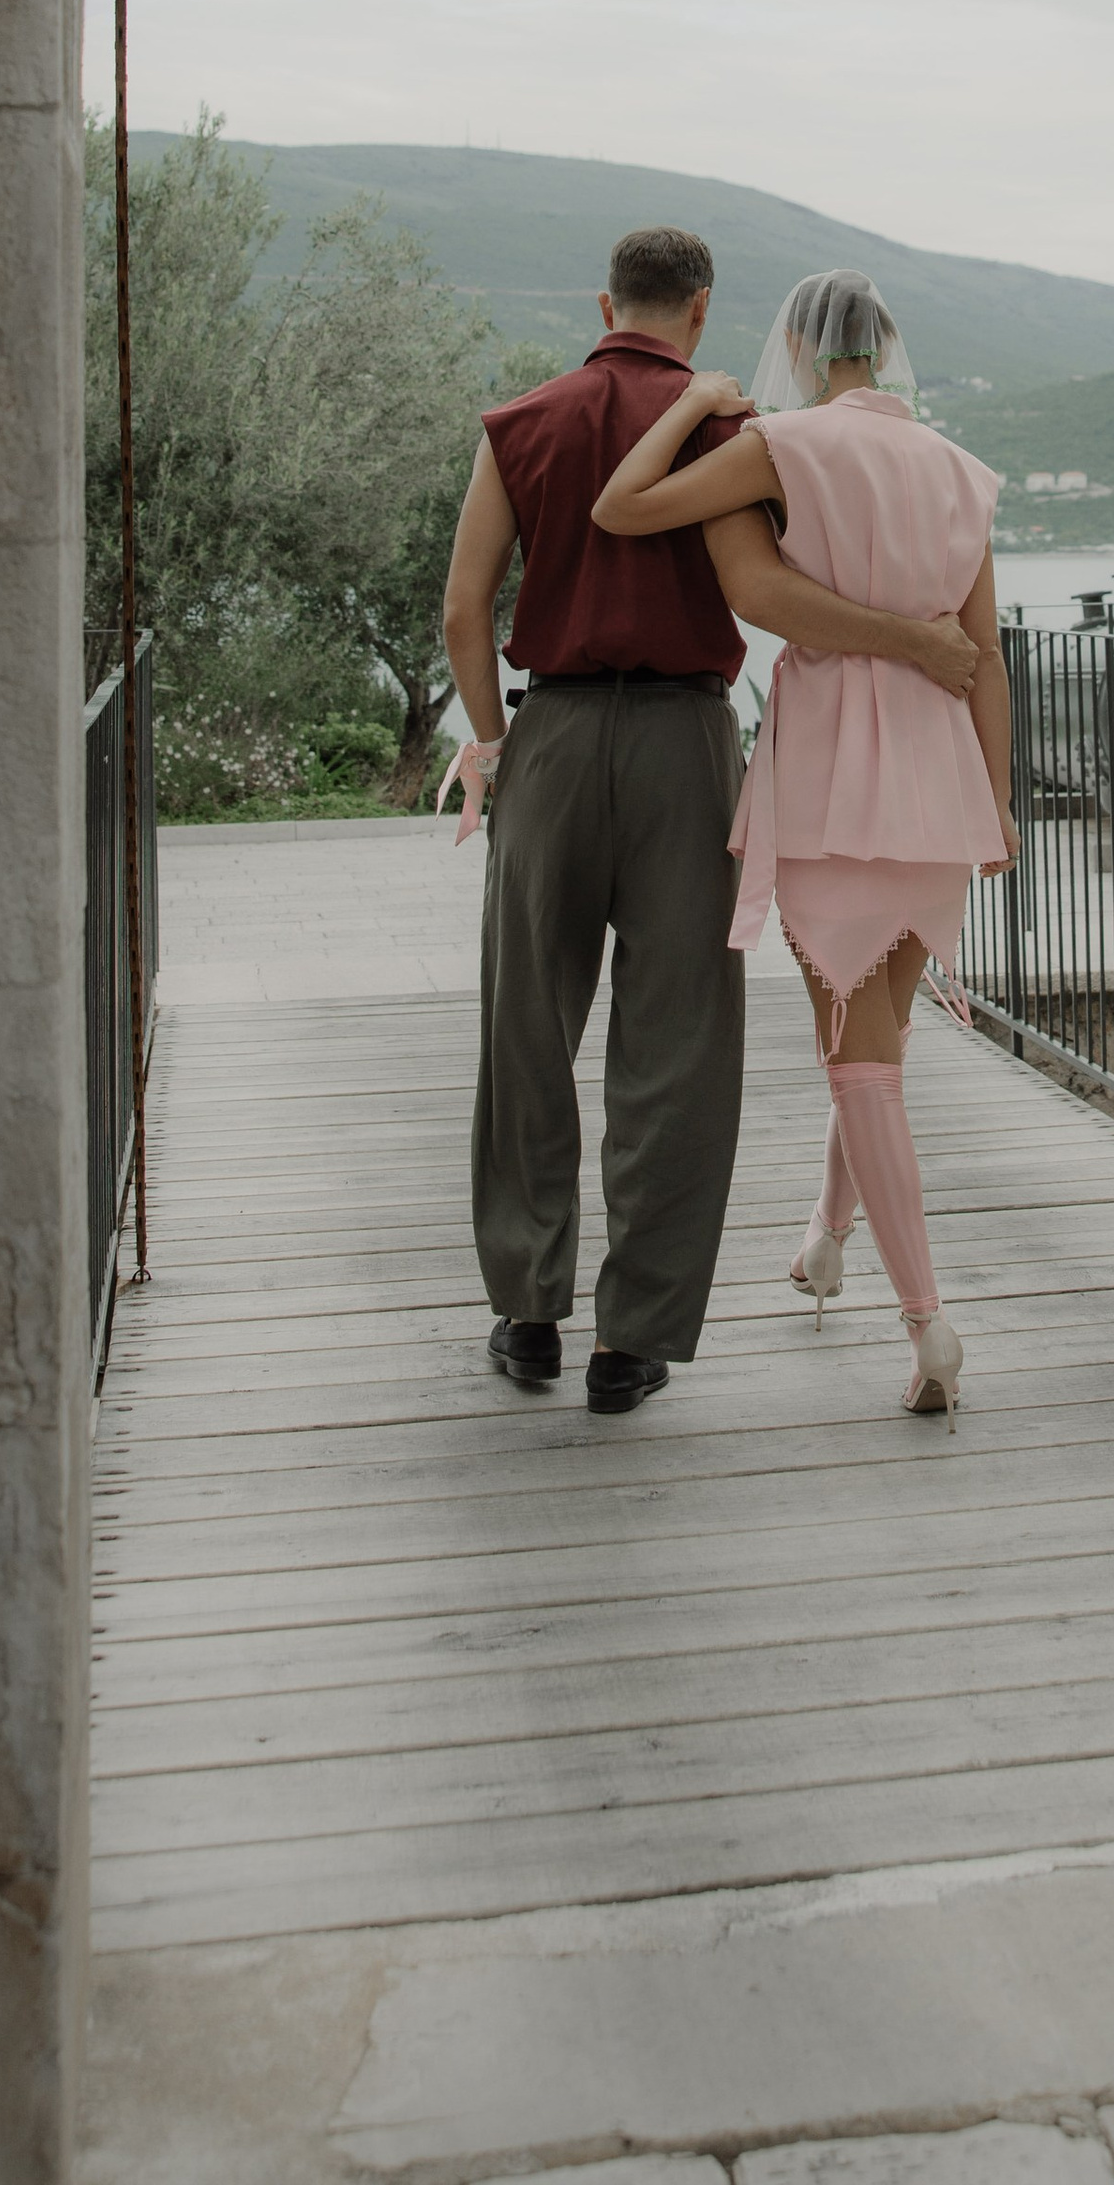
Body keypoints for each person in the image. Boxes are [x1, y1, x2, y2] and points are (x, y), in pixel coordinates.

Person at [439, 227, 980, 1416]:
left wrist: (493, 736)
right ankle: (632, 1341)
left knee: (528, 1023)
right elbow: (763, 589)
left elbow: (467, 606)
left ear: (602, 300)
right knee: (676, 1042)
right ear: (697, 310)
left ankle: (527, 1313)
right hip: (686, 741)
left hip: (558, 736)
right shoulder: (732, 425)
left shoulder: (518, 425)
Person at [591, 270, 1015, 1426]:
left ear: (793, 344)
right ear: (882, 347)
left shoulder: (780, 446)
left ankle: (928, 1320)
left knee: (853, 1049)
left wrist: (688, 410)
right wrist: (1001, 808)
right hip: (937, 777)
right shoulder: (957, 471)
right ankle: (827, 1240)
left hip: (834, 771)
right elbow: (983, 656)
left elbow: (622, 509)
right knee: (877, 1029)